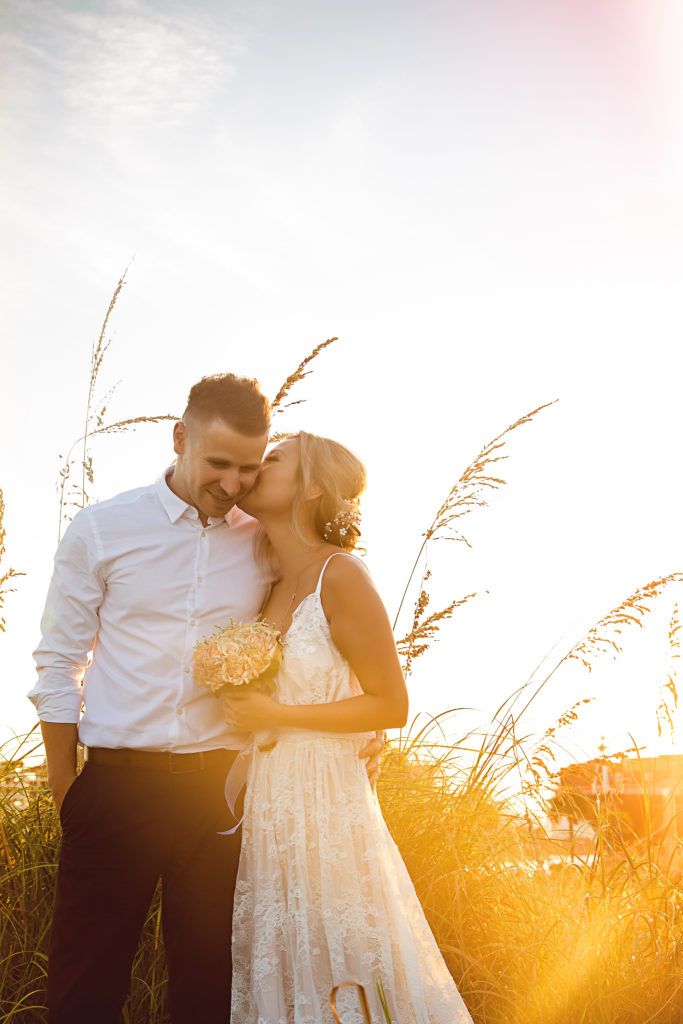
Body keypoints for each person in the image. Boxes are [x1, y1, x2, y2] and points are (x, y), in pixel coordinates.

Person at [29, 374, 382, 1024]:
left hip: (218, 800)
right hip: (112, 791)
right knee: (83, 992)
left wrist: (357, 718)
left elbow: (322, 617)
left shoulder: (265, 536)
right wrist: (64, 787)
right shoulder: (103, 529)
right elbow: (58, 659)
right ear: (180, 438)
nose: (231, 484)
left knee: (208, 992)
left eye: (249, 468)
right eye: (218, 464)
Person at [225, 431, 474, 1024]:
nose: (258, 467)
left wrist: (279, 715)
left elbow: (390, 704)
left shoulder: (340, 576)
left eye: (275, 459)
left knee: (349, 966)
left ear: (311, 487)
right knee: (282, 964)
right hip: (269, 804)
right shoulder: (264, 581)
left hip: (327, 802)